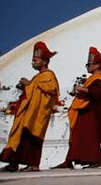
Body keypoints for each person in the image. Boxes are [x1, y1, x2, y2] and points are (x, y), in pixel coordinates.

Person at [0, 41, 60, 172]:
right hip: (28, 113)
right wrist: (27, 86)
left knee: (32, 139)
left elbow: (51, 90)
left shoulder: (49, 76)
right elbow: (33, 91)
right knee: (19, 138)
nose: (33, 63)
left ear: (44, 61)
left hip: (37, 115)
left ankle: (33, 164)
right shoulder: (37, 77)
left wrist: (28, 84)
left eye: (36, 60)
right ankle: (13, 163)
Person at [53, 47, 101, 169]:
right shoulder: (92, 79)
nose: (88, 67)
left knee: (90, 138)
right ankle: (70, 160)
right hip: (85, 113)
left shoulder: (99, 79)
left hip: (92, 113)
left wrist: (82, 89)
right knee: (78, 137)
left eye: (91, 64)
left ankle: (95, 160)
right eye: (88, 64)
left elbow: (96, 93)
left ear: (98, 65)